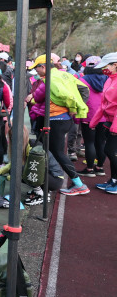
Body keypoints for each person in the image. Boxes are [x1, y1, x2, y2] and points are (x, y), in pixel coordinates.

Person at [27, 55, 90, 196]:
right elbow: (84, 88)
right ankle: (51, 179)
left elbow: (64, 96)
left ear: (43, 67)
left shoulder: (51, 79)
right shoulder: (64, 75)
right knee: (50, 149)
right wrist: (76, 106)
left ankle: (79, 184)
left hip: (56, 119)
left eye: (37, 68)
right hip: (64, 119)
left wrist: (73, 107)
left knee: (58, 153)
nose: (36, 71)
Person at [89, 53, 117, 193]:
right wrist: (93, 121)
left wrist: (115, 126)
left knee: (111, 151)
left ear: (115, 65)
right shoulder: (109, 80)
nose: (103, 69)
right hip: (110, 121)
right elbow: (103, 104)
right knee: (110, 151)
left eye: (106, 66)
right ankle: (113, 180)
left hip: (115, 123)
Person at [77, 56, 107, 177]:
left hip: (88, 115)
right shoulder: (107, 79)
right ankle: (100, 167)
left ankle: (89, 169)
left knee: (89, 142)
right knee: (101, 142)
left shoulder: (82, 80)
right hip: (104, 115)